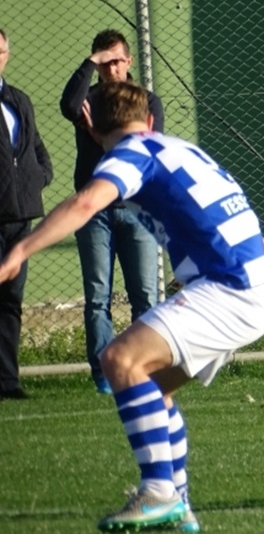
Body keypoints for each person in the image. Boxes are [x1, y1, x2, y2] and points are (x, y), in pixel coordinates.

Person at [0, 81, 264, 531]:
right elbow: (260, 240)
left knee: (118, 358)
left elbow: (87, 202)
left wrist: (20, 250)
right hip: (256, 289)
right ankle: (180, 504)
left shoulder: (131, 154)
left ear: (93, 129)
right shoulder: (188, 152)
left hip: (226, 291)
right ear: (150, 121)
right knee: (151, 385)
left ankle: (158, 492)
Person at [60, 29, 161, 395]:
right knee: (98, 296)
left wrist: (96, 133)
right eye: (104, 62)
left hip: (137, 210)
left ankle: (143, 368)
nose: (111, 69)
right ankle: (103, 375)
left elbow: (144, 149)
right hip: (95, 212)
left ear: (129, 61)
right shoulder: (89, 100)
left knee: (145, 296)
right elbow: (68, 106)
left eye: (117, 60)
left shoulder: (147, 101)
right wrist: (89, 63)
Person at [0, 28, 53, 401]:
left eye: (0, 50)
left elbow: (34, 147)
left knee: (11, 302)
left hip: (21, 218)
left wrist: (39, 177)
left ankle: (8, 381)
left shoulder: (18, 99)